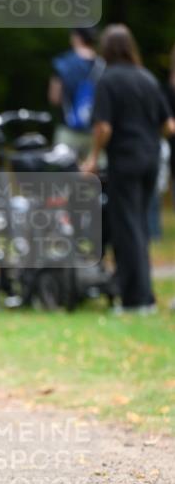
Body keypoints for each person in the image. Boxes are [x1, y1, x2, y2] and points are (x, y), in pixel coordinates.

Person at [81, 25, 174, 312]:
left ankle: (136, 300)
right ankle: (143, 294)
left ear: (106, 50)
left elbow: (104, 126)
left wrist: (93, 157)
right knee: (140, 227)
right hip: (151, 159)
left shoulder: (108, 80)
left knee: (126, 227)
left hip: (125, 159)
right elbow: (169, 125)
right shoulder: (147, 78)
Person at [49, 28, 105, 162]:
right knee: (97, 178)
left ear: (76, 37)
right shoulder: (103, 65)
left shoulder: (63, 62)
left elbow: (54, 98)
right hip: (96, 132)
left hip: (68, 130)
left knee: (62, 178)